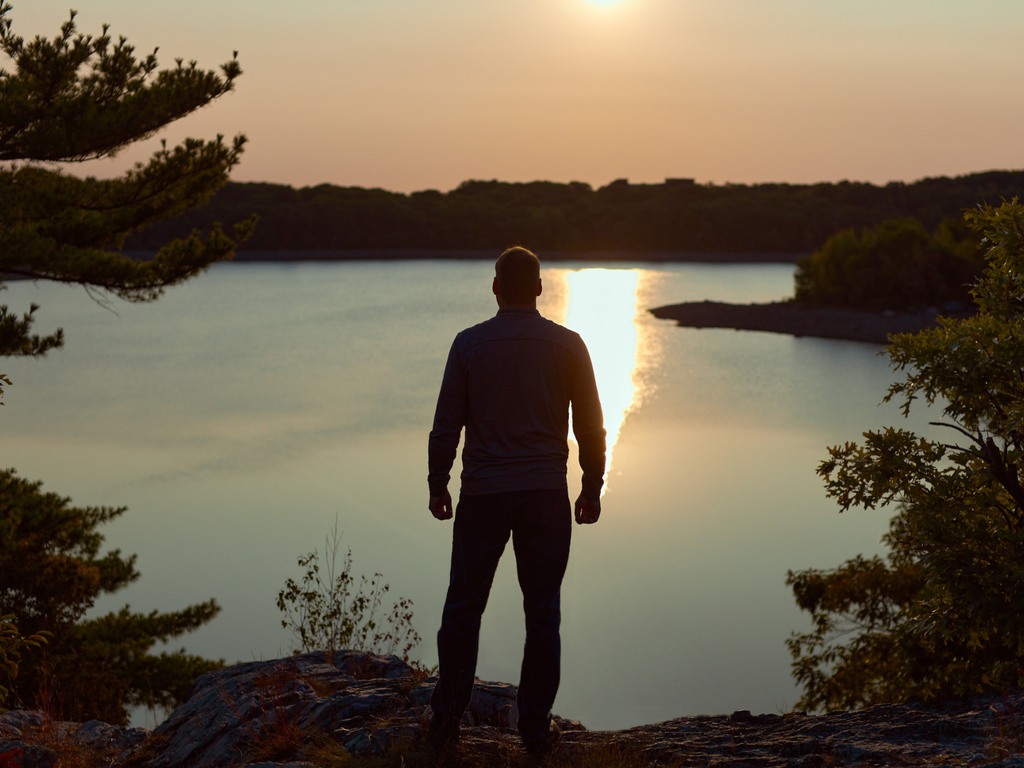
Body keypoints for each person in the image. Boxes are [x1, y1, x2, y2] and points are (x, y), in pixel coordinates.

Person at [426, 246, 606, 756]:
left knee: (464, 608)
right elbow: (590, 427)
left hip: (483, 494)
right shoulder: (569, 346)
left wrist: (438, 483)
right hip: (546, 497)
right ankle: (533, 729)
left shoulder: (468, 345)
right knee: (543, 614)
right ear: (541, 288)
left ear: (496, 288)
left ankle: (445, 721)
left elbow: (447, 424)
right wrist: (591, 487)